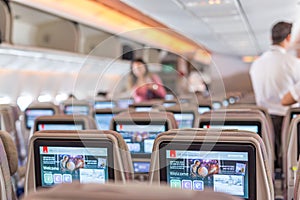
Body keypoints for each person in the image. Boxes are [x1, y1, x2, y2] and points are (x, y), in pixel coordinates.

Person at [249, 21, 300, 171]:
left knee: (266, 162)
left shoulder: (256, 64)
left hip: (262, 119)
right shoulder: (293, 63)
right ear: (289, 38)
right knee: (289, 163)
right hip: (287, 120)